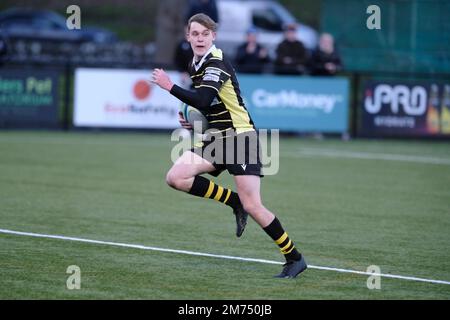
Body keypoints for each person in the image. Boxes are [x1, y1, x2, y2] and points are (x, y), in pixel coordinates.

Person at [151, 13, 307, 278]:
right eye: (195, 34)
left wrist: (170, 87)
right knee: (176, 177)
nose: (200, 38)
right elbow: (211, 107)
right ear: (188, 36)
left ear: (214, 36)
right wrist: (195, 125)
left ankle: (294, 258)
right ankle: (232, 201)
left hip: (240, 138)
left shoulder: (216, 64)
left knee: (254, 206)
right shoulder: (195, 63)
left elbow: (202, 99)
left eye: (205, 34)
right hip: (217, 137)